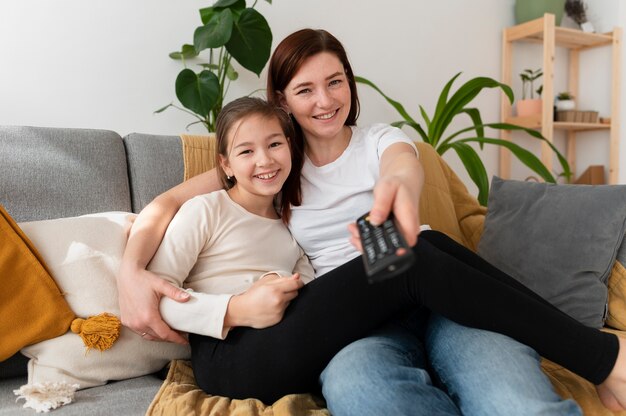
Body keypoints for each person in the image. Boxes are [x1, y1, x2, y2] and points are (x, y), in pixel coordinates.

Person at [116, 30, 626, 414]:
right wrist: (131, 272)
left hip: (435, 301)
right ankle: (602, 355)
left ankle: (599, 355)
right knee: (414, 255)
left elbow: (402, 165)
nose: (325, 100)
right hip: (351, 324)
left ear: (350, 84)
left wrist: (398, 188)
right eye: (305, 89)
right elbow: (165, 205)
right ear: (282, 102)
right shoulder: (268, 167)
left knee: (426, 248)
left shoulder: (375, 143)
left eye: (335, 82)